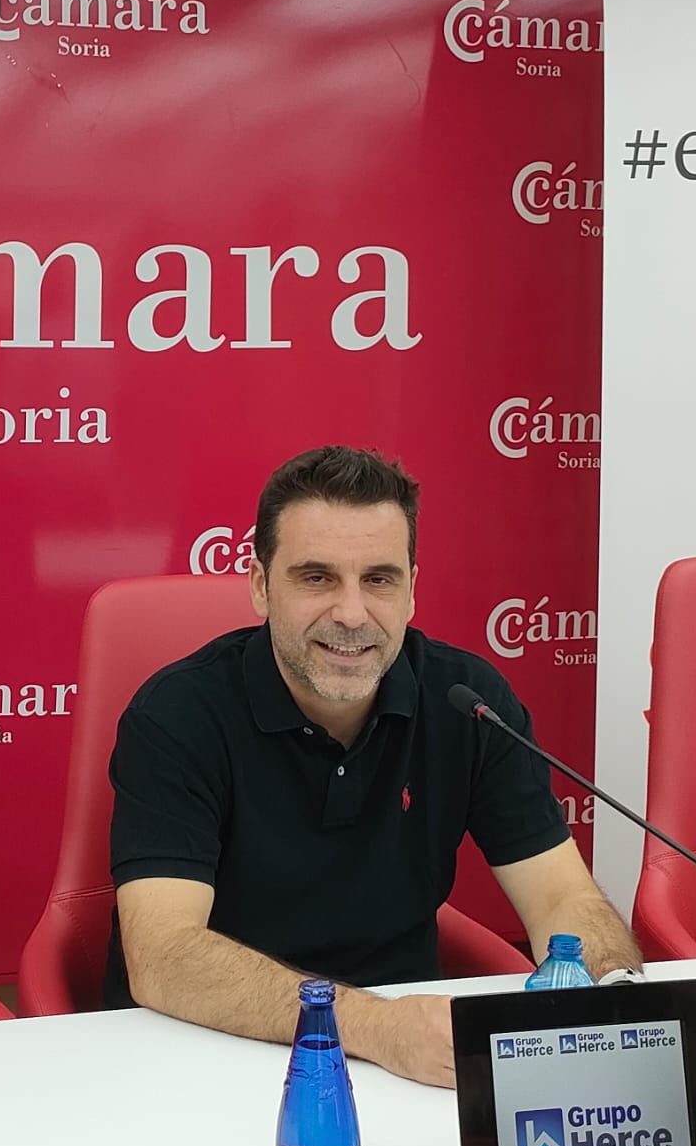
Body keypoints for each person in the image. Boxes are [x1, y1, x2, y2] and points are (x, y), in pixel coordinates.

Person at [104, 445, 643, 1087]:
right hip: (205, 1050)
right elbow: (166, 957)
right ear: (258, 585)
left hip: (404, 1067)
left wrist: (622, 1004)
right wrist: (376, 1028)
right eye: (316, 578)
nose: (353, 614)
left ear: (413, 590)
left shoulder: (469, 704)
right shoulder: (179, 715)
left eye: (379, 579)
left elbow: (561, 896)